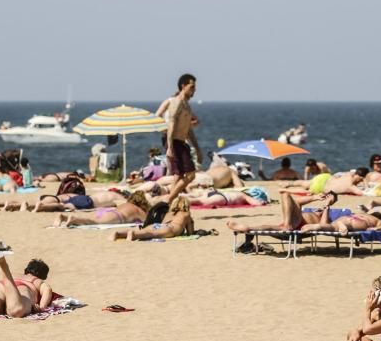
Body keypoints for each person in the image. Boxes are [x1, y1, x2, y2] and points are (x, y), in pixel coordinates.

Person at [0, 252, 54, 317]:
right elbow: (47, 290)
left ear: (26, 270)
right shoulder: (37, 280)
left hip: (2, 284)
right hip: (23, 286)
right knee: (16, 310)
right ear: (43, 276)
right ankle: (4, 266)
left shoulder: (15, 274)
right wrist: (42, 307)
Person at [164, 74, 202, 206]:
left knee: (179, 176)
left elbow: (188, 130)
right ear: (183, 86)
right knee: (191, 174)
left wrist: (197, 149)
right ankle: (167, 200)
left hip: (180, 142)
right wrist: (169, 147)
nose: (194, 90)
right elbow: (171, 124)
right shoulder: (177, 102)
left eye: (195, 87)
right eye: (192, 87)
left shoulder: (187, 105)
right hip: (173, 142)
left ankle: (168, 204)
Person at [227, 190, 338, 234]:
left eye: (330, 198)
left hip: (301, 225)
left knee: (285, 195)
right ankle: (249, 228)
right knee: (285, 195)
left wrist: (327, 206)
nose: (327, 197)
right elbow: (297, 202)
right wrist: (314, 197)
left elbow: (323, 225)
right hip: (293, 221)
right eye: (327, 195)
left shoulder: (327, 212)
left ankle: (287, 225)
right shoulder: (314, 208)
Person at [111, 196, 194, 242]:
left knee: (145, 231)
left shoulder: (169, 213)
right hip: (169, 229)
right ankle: (133, 234)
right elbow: (190, 232)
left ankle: (119, 233)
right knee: (149, 234)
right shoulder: (186, 214)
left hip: (158, 225)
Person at [52, 191, 151, 227]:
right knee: (93, 222)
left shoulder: (126, 204)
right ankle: (73, 219)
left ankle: (64, 217)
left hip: (107, 211)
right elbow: (149, 220)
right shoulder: (137, 209)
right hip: (116, 216)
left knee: (91, 220)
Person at [287, 168, 367, 196]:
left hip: (325, 177)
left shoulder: (349, 174)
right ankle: (286, 191)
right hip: (321, 187)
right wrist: (365, 182)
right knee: (306, 191)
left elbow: (339, 174)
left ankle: (290, 183)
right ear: (361, 178)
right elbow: (362, 193)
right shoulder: (351, 187)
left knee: (305, 183)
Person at [182, 187, 269, 208]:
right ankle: (180, 201)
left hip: (216, 193)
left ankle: (179, 196)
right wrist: (262, 203)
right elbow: (255, 203)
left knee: (196, 197)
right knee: (198, 201)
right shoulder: (244, 196)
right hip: (222, 198)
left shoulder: (239, 192)